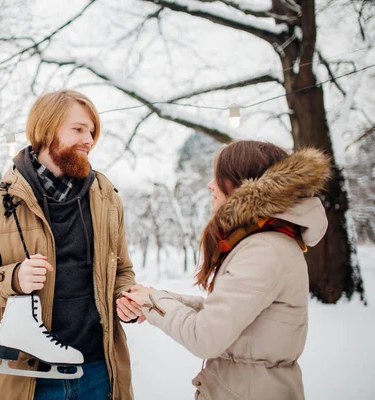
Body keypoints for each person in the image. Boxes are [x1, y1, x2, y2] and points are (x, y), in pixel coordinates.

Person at [0, 89, 141, 400]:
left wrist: (126, 298)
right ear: (47, 129)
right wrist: (13, 279)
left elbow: (121, 270)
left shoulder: (107, 198)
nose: (89, 140)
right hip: (25, 378)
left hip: (96, 371)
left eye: (92, 131)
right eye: (78, 129)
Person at [123, 140, 330, 400]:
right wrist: (155, 298)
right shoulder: (265, 241)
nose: (210, 185)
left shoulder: (263, 249)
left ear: (243, 185)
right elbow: (225, 316)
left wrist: (155, 304)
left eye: (218, 178)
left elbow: (206, 336)